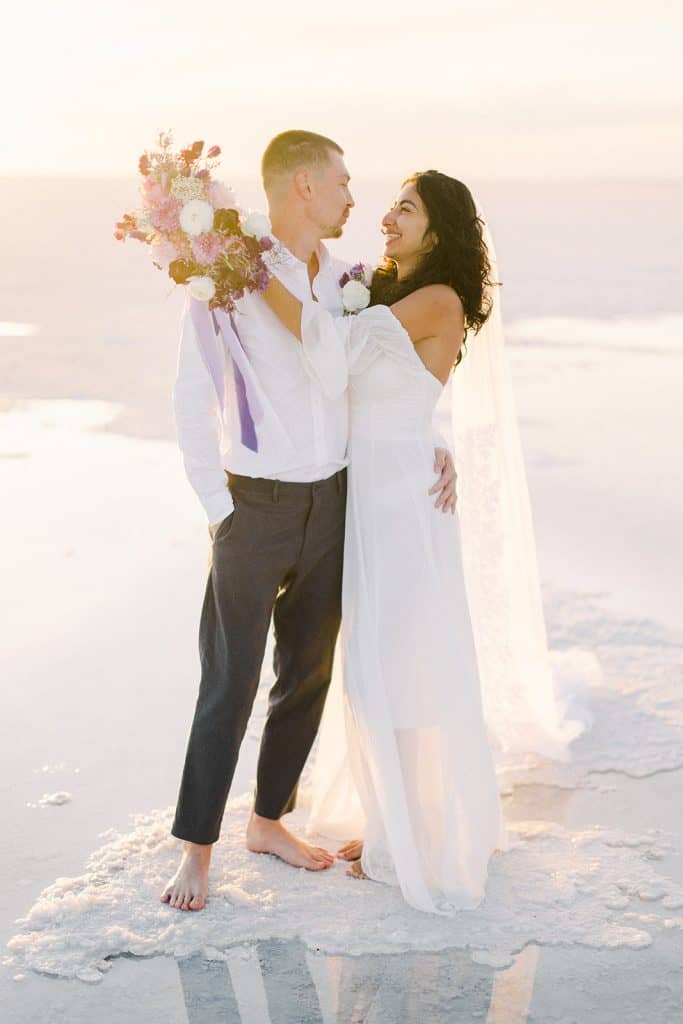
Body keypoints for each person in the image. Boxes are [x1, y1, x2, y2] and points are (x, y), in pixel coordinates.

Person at [160, 133, 457, 912]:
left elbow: (385, 380)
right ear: (301, 186)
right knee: (229, 678)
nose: (353, 198)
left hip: (334, 500)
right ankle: (196, 848)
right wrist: (218, 506)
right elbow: (193, 392)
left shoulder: (348, 281)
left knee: (308, 673)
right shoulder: (229, 272)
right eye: (341, 182)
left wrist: (433, 442)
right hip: (253, 504)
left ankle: (267, 822)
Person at [261, 170, 508, 912]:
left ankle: (403, 835)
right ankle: (388, 820)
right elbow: (383, 386)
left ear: (440, 228)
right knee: (373, 660)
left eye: (405, 208)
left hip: (399, 500)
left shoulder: (437, 299)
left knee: (396, 665)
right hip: (372, 486)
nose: (387, 217)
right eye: (392, 205)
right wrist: (432, 438)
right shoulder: (394, 291)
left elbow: (329, 355)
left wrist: (240, 273)